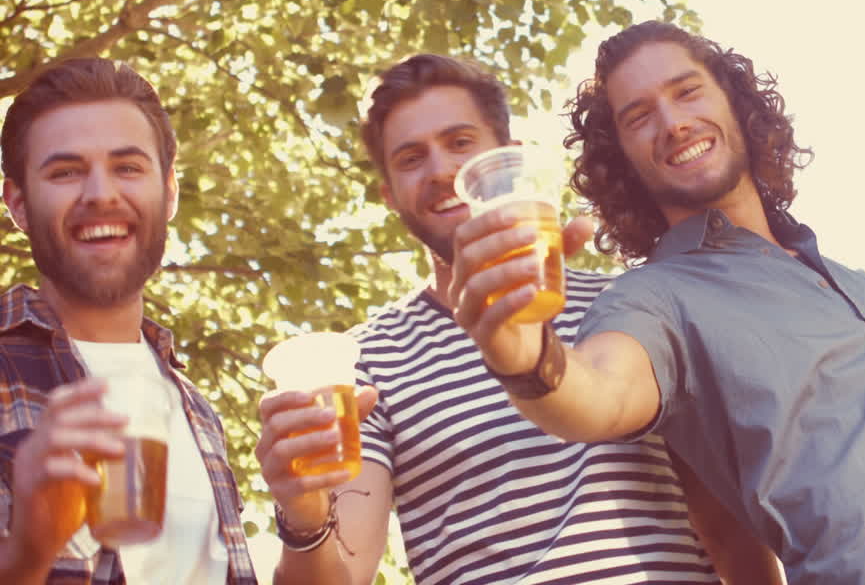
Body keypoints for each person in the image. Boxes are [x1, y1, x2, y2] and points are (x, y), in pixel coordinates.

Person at [450, 21, 865, 585]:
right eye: (639, 117)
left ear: (736, 102)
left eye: (687, 92)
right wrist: (527, 357)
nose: (674, 122)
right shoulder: (656, 300)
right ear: (621, 158)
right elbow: (595, 391)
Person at [254, 53, 779, 585]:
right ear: (390, 194)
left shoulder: (636, 305)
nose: (440, 171)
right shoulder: (367, 361)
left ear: (508, 159)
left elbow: (728, 531)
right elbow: (343, 573)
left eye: (460, 143)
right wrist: (303, 516)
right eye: (412, 158)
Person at [0, 58, 257, 584]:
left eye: (127, 167)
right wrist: (28, 549)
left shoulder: (195, 409)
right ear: (19, 204)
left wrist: (308, 520)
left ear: (169, 193)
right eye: (66, 171)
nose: (100, 194)